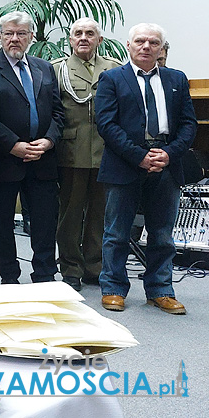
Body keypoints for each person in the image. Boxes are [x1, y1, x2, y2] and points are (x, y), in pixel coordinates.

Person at [96, 23, 196, 314]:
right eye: (140, 41)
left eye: (154, 42)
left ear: (161, 49)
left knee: (162, 234)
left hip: (166, 163)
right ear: (128, 45)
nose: (146, 46)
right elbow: (106, 124)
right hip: (125, 163)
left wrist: (167, 154)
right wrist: (139, 156)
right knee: (117, 232)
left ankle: (161, 290)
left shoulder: (176, 79)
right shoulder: (112, 78)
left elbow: (189, 125)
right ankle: (113, 288)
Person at [0, 11, 64, 284]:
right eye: (8, 33)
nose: (14, 39)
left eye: (20, 34)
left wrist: (49, 140)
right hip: (3, 160)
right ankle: (9, 276)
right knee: (0, 224)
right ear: (0, 36)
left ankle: (44, 274)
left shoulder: (44, 67)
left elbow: (58, 112)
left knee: (44, 222)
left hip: (42, 160)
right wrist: (13, 145)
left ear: (30, 37)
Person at [50, 18, 120, 290]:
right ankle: (70, 268)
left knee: (100, 213)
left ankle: (95, 267)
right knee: (70, 213)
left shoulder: (113, 68)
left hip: (106, 152)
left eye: (90, 34)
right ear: (70, 39)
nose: (83, 38)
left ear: (99, 40)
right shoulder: (59, 70)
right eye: (77, 33)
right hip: (72, 152)